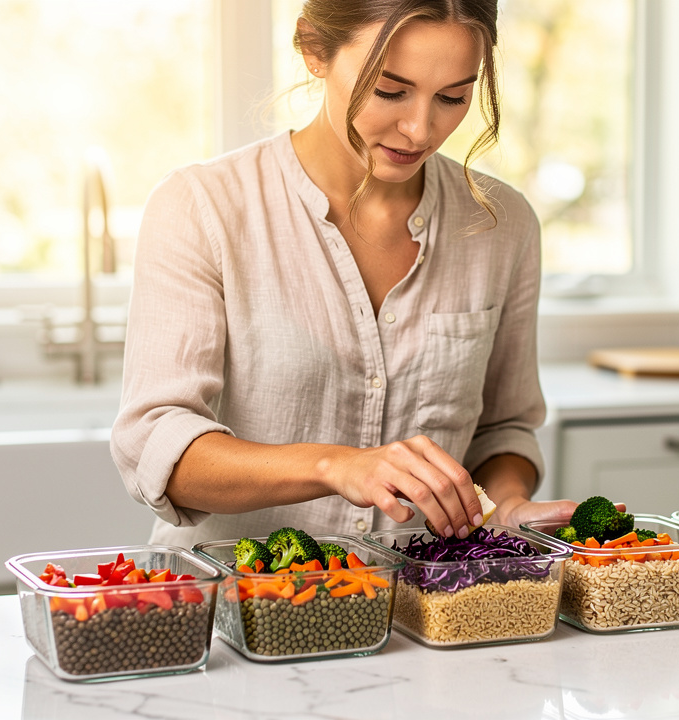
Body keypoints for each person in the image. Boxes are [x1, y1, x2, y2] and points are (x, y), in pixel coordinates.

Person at [111, 0, 574, 550]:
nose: (420, 128)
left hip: (421, 611)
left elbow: (504, 428)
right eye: (389, 90)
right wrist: (335, 466)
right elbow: (155, 445)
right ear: (313, 49)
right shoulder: (202, 207)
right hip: (231, 611)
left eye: (452, 97)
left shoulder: (503, 224)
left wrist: (509, 504)